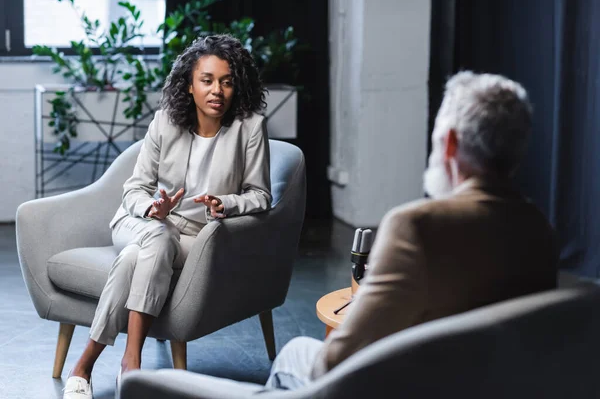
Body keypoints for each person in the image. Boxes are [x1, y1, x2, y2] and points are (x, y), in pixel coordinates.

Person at [262, 71, 559, 389]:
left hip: (413, 387)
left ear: (450, 143)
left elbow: (335, 363)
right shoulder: (538, 230)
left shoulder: (416, 226)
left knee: (295, 354)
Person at [63, 34, 272, 399]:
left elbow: (261, 195)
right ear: (189, 86)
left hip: (197, 238)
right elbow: (134, 189)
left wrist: (225, 204)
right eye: (206, 80)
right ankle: (131, 364)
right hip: (140, 223)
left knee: (133, 259)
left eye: (226, 81)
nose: (217, 91)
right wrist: (152, 209)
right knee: (156, 236)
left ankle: (85, 366)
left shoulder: (249, 126)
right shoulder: (165, 121)